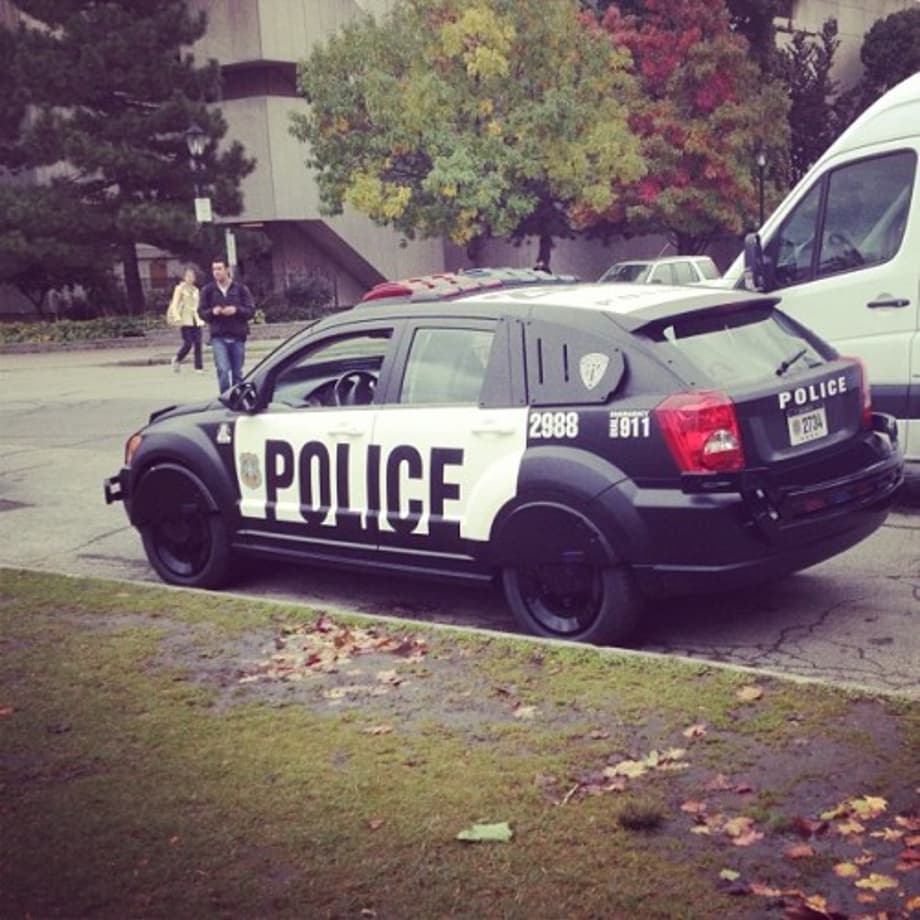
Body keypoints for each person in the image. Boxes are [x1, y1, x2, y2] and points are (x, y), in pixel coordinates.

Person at [197, 256, 256, 393]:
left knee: (237, 373)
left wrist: (236, 310)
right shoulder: (208, 290)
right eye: (214, 269)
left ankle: (237, 398)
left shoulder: (240, 289)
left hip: (237, 336)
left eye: (219, 269)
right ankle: (225, 398)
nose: (216, 272)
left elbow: (251, 310)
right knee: (223, 369)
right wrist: (213, 312)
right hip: (218, 336)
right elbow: (201, 312)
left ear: (227, 270)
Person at [168, 266, 204, 374]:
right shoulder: (180, 289)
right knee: (188, 343)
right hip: (184, 319)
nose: (190, 278)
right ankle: (177, 358)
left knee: (198, 343)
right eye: (188, 276)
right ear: (184, 277)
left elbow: (198, 305)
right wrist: (177, 317)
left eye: (192, 276)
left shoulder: (196, 290)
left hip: (195, 319)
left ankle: (198, 367)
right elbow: (175, 304)